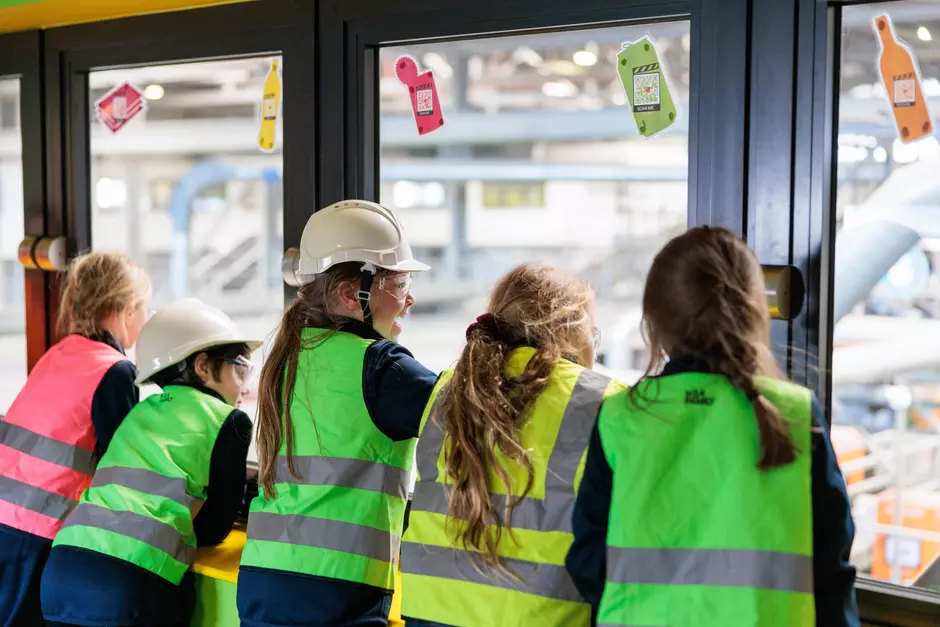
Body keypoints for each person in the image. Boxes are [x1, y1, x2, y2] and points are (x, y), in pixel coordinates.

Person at [566, 226, 859, 626]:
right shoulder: (792, 412)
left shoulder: (623, 417)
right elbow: (830, 565)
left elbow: (587, 558)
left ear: (653, 320)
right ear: (755, 310)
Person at [236, 200, 439, 627]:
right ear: (352, 293)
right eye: (399, 283)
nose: (410, 299)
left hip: (262, 579)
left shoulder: (291, 355)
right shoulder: (380, 366)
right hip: (334, 595)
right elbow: (476, 412)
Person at [399, 262, 626, 627]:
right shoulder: (605, 401)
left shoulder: (447, 389)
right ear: (568, 329)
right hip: (539, 614)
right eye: (591, 333)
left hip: (429, 610)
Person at [39, 298, 261, 627]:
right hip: (133, 582)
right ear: (202, 366)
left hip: (63, 567)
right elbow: (215, 528)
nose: (243, 385)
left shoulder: (140, 412)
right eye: (239, 367)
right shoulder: (229, 421)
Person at [0, 251, 151, 627]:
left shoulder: (58, 354)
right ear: (125, 310)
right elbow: (122, 465)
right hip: (43, 535)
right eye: (143, 309)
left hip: (6, 522)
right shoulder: (114, 371)